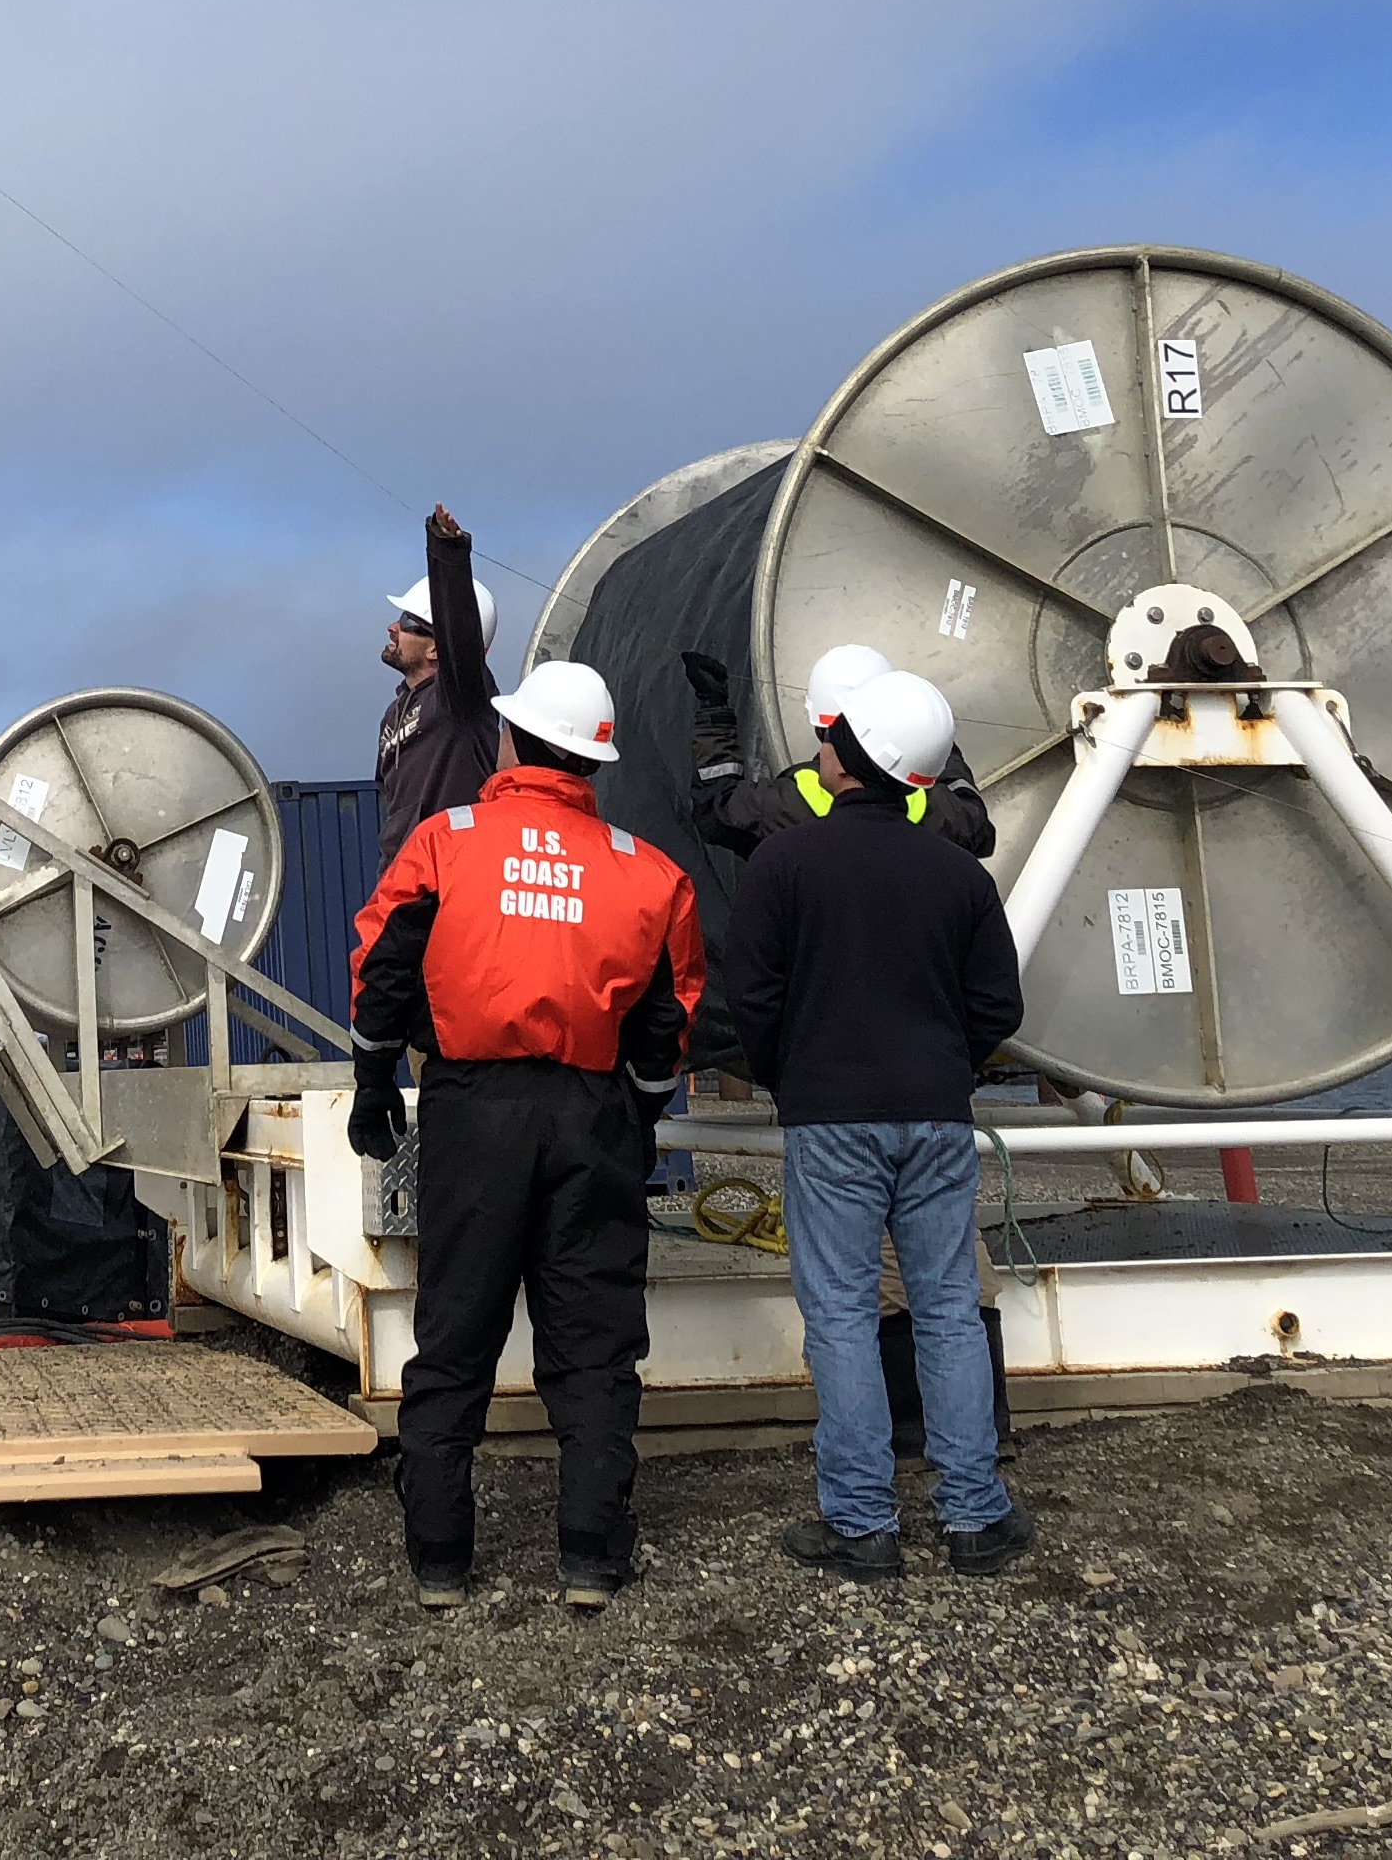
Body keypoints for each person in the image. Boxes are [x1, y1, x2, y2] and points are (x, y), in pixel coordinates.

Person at [348, 656, 703, 1615]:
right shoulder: (649, 871)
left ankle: (440, 1560)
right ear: (593, 761)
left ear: (511, 741)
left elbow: (384, 971)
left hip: (472, 1110)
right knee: (591, 1339)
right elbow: (668, 1020)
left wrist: (373, 1079)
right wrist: (635, 1111)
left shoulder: (445, 840)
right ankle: (590, 1555)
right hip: (591, 1114)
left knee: (455, 1329)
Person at [711, 665, 1033, 1580]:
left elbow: (753, 999)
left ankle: (861, 1525)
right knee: (948, 1312)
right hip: (936, 1117)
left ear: (845, 758)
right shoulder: (956, 874)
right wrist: (948, 1065)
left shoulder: (784, 861)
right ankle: (976, 1520)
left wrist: (789, 1074)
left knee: (844, 1316)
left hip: (829, 1119)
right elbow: (996, 1007)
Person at [675, 641, 992, 1076]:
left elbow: (716, 807)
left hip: (821, 1069)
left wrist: (714, 713)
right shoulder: (943, 817)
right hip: (927, 1068)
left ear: (819, 725)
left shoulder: (783, 813)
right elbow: (976, 822)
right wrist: (932, 738)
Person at [375, 503, 503, 864]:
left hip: (451, 874)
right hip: (401, 882)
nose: (393, 627)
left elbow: (460, 637)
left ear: (436, 647)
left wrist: (447, 554)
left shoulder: (461, 701)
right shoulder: (393, 715)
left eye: (407, 621)